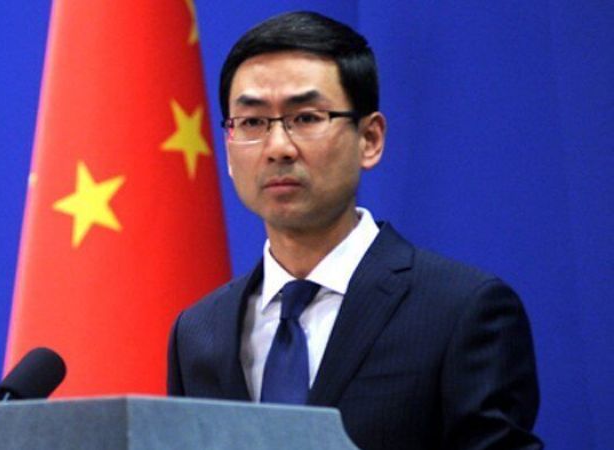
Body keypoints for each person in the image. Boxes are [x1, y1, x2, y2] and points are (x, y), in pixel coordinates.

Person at [167, 11, 541, 450]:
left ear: (370, 139)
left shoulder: (461, 311)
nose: (278, 147)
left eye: (306, 118)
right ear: (228, 148)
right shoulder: (198, 332)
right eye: (252, 122)